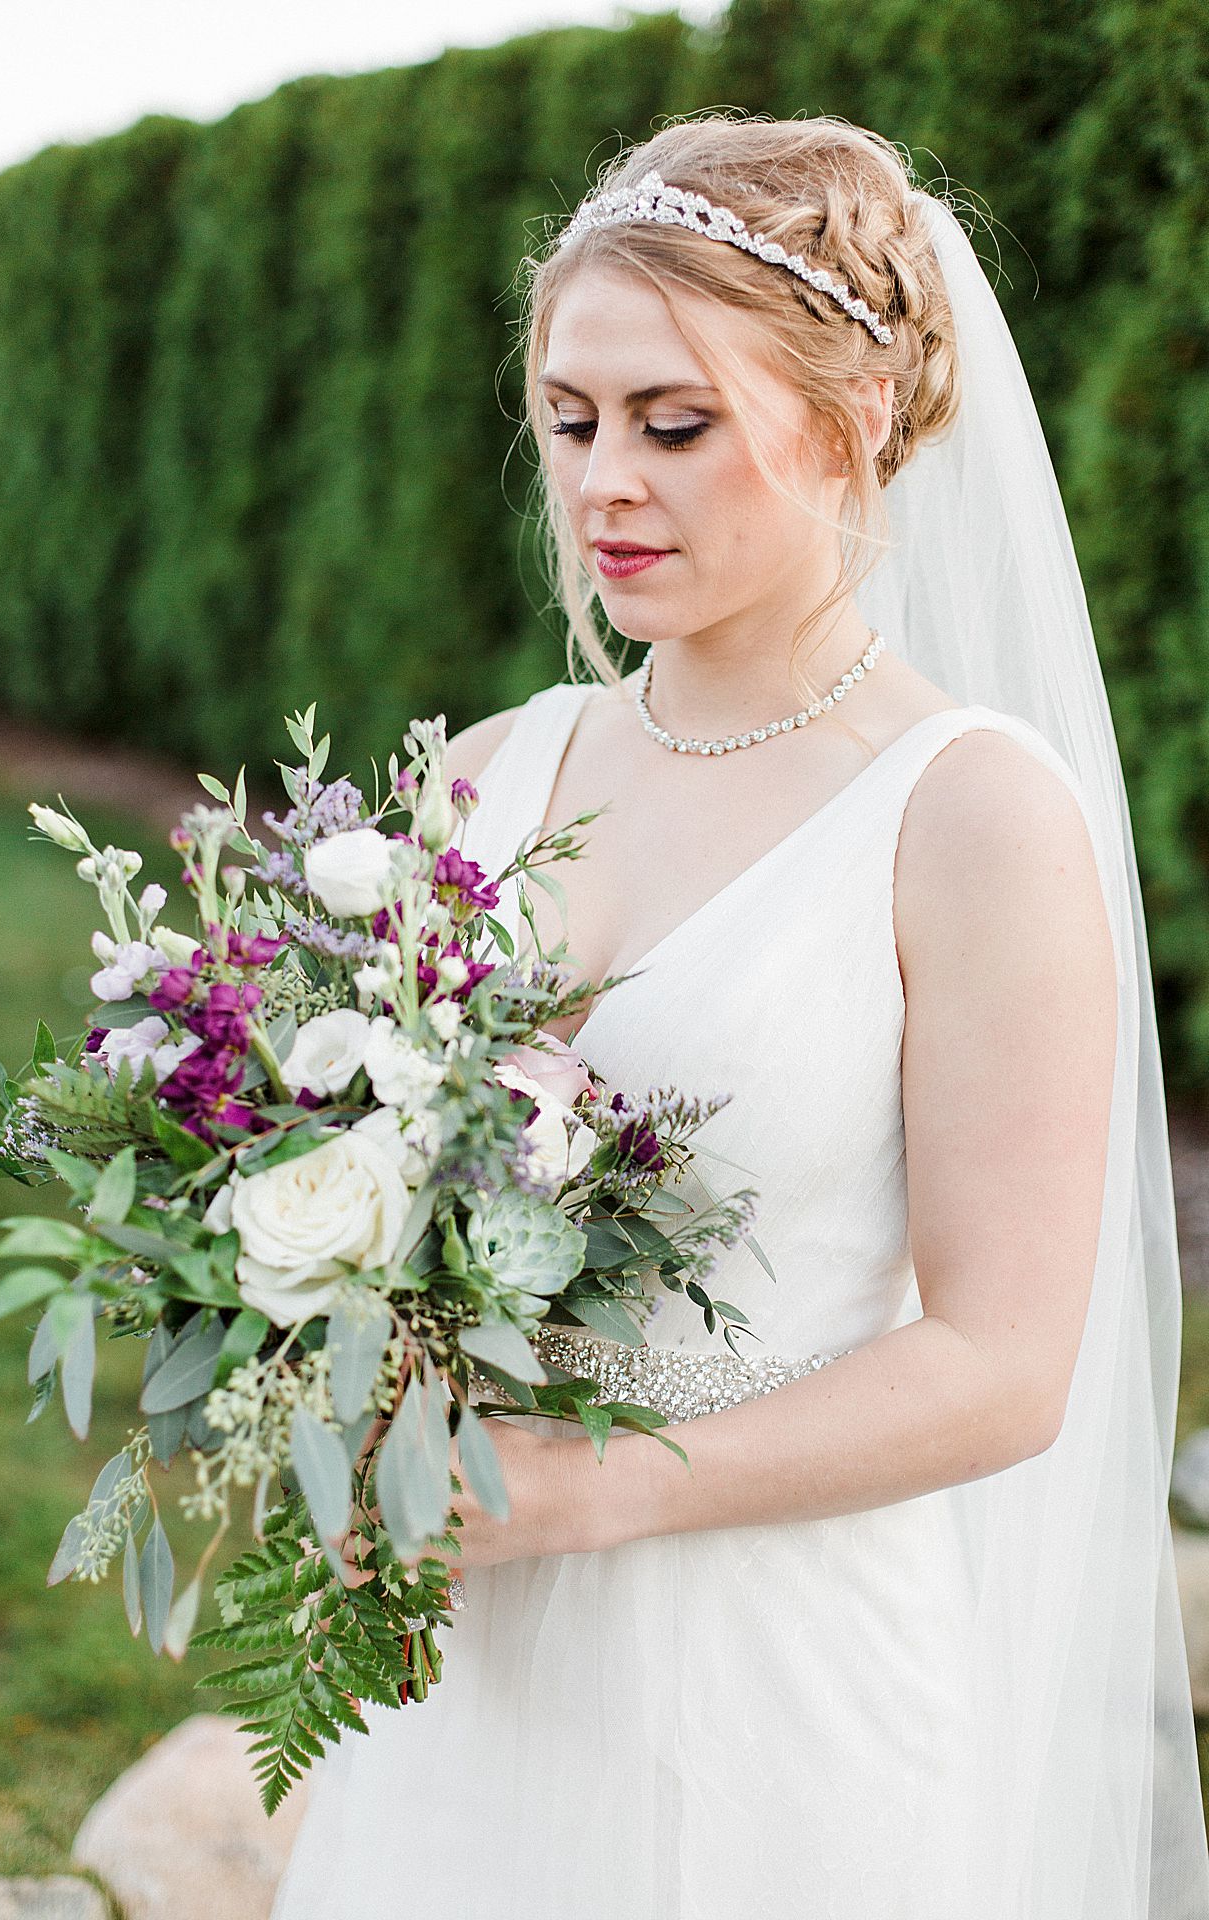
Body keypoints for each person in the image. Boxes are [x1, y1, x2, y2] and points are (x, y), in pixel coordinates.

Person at [270, 113, 1209, 1918]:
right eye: (571, 419)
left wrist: (589, 1494)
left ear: (851, 428)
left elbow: (1006, 1370)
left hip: (779, 1683)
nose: (605, 479)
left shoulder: (969, 812)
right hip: (464, 1656)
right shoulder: (483, 780)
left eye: (674, 424)